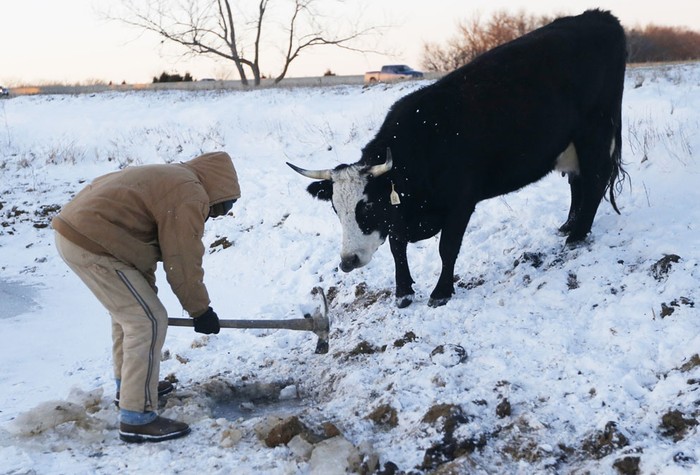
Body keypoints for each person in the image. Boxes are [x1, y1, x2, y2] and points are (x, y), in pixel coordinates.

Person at [52, 151, 241, 443]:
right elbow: (182, 259)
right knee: (147, 321)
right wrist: (200, 311)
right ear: (220, 186)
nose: (220, 212)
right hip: (94, 242)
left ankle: (128, 388)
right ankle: (137, 417)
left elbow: (145, 247)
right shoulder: (190, 194)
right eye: (224, 205)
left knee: (132, 313)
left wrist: (156, 295)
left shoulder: (172, 179)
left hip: (84, 234)